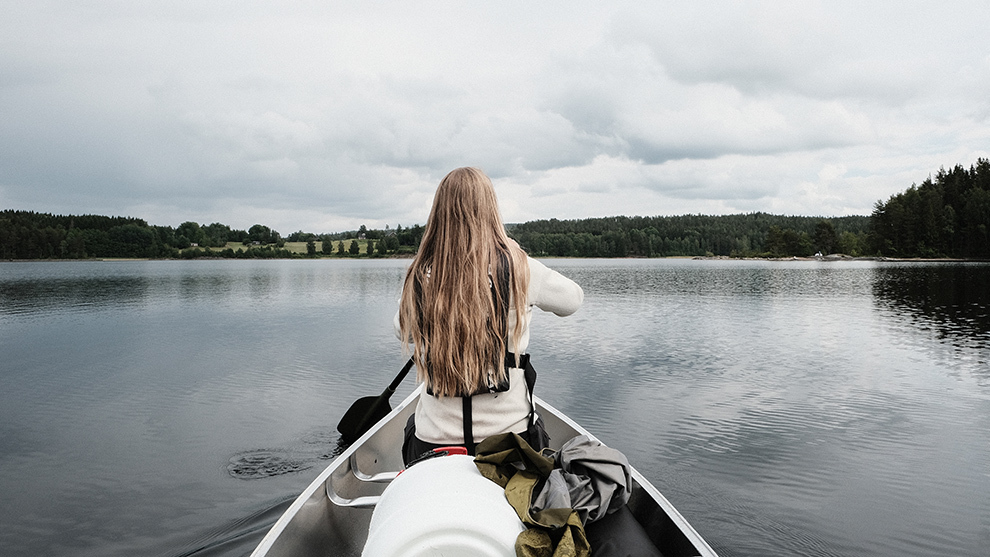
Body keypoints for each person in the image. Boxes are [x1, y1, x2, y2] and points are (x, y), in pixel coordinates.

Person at [396, 167, 584, 465]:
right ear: (490, 210)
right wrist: (517, 256)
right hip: (510, 438)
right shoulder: (519, 267)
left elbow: (402, 331)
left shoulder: (421, 275)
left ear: (439, 214)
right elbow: (573, 300)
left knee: (409, 427)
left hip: (433, 439)